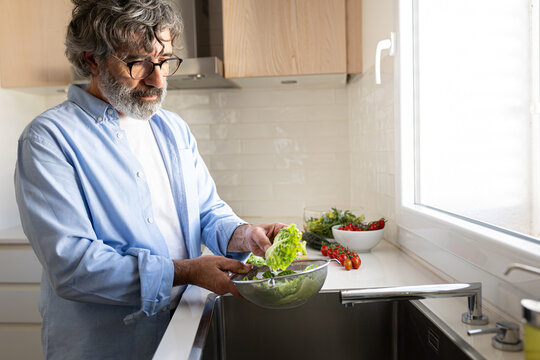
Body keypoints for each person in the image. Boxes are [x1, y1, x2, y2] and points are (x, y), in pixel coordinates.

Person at [14, 0, 285, 359]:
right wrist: (186, 272)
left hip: (182, 331)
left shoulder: (171, 129)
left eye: (163, 61)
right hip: (104, 348)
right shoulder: (49, 139)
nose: (157, 79)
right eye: (138, 62)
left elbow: (207, 212)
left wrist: (244, 234)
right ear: (92, 60)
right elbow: (74, 266)